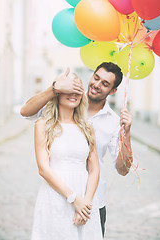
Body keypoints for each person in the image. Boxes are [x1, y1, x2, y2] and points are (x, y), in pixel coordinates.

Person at [21, 62, 133, 237]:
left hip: (92, 201)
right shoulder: (51, 115)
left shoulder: (108, 123)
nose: (96, 84)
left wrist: (126, 133)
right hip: (57, 195)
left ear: (113, 91)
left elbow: (123, 169)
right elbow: (25, 111)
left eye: (105, 83)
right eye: (96, 78)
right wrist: (55, 88)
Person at [31, 74, 103, 240]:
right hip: (56, 195)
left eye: (78, 90)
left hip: (85, 199)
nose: (74, 94)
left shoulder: (87, 127)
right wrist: (73, 199)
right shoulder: (43, 125)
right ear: (58, 93)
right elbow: (43, 169)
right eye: (70, 89)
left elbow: (94, 169)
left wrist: (86, 203)